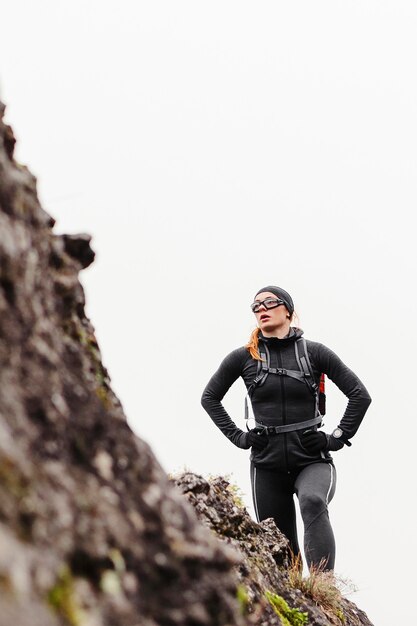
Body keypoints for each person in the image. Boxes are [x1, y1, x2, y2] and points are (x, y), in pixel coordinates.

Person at [201, 285, 371, 571]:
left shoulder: (315, 353)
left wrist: (335, 439)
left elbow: (359, 395)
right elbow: (209, 398)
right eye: (256, 306)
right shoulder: (244, 357)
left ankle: (323, 588)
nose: (261, 309)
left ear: (288, 311)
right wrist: (240, 438)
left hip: (312, 460)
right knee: (281, 550)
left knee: (313, 501)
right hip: (266, 466)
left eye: (269, 302)